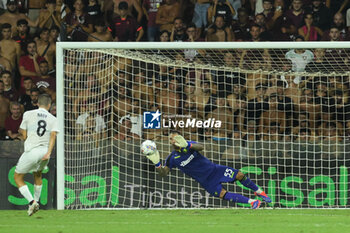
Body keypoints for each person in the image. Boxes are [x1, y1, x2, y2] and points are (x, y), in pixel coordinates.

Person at [145, 131, 272, 209]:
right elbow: (164, 173)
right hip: (206, 181)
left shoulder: (189, 145)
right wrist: (157, 164)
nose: (173, 140)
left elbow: (201, 147)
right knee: (222, 194)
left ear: (181, 138)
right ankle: (252, 202)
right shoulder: (172, 158)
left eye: (176, 138)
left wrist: (188, 145)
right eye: (171, 139)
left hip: (215, 170)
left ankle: (260, 192)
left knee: (239, 174)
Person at [14, 94, 58, 216]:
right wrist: (49, 153)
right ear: (49, 105)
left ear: (37, 103)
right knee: (37, 175)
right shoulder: (53, 119)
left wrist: (26, 138)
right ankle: (36, 202)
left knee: (17, 177)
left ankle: (32, 202)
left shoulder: (28, 114)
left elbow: (23, 132)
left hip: (32, 151)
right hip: (45, 151)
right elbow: (53, 136)